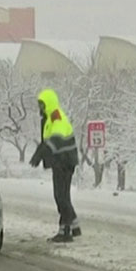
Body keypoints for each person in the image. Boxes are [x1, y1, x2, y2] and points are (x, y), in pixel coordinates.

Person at [29, 88, 81, 242]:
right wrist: (40, 152)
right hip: (62, 161)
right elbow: (48, 140)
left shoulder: (56, 117)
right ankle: (75, 227)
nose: (40, 108)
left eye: (42, 104)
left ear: (49, 104)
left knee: (61, 197)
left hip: (64, 162)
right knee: (62, 196)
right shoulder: (49, 118)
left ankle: (65, 232)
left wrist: (41, 153)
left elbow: (56, 138)